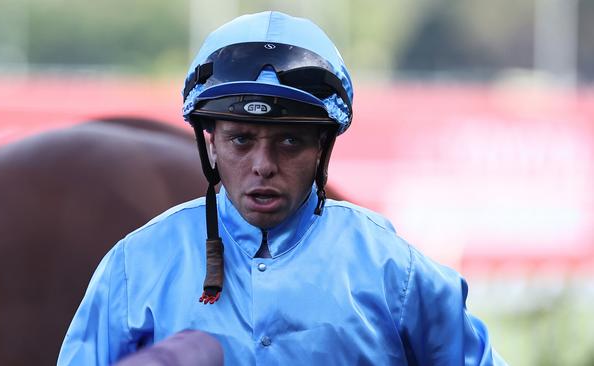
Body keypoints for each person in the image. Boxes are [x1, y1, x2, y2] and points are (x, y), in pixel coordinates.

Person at [58, 11, 506, 365]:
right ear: (210, 144)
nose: (263, 166)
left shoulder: (396, 271)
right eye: (241, 140)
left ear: (321, 149)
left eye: (289, 141)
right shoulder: (133, 267)